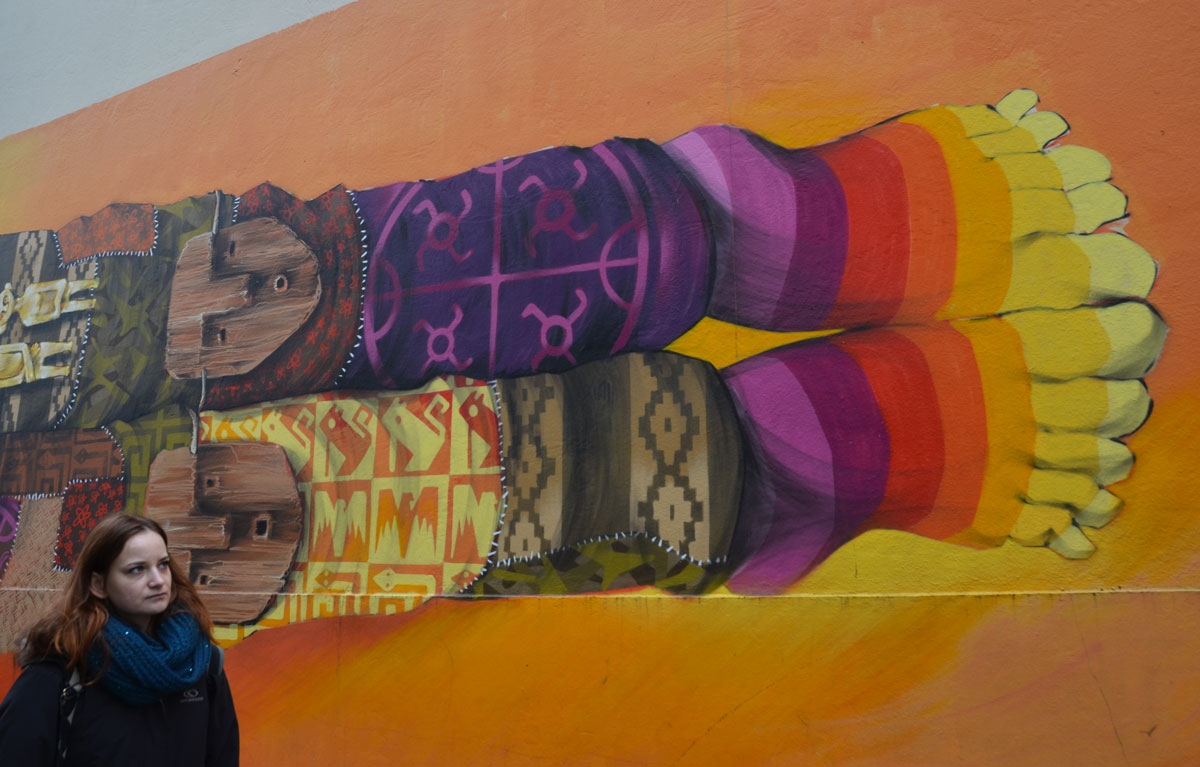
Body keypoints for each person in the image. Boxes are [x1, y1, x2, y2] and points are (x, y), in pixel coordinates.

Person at [0, 513, 239, 766]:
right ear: (98, 584)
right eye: (136, 569)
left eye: (163, 564)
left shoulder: (202, 664)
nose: (158, 581)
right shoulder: (60, 670)